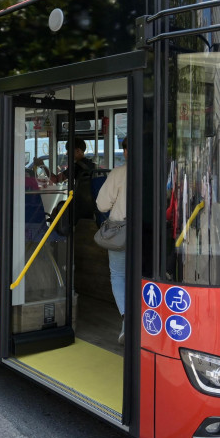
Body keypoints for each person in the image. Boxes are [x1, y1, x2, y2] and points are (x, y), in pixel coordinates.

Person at [95, 137, 128, 344]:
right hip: (150, 233)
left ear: (125, 151)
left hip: (121, 232)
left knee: (118, 275)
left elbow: (102, 205)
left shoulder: (118, 173)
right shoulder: (157, 171)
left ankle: (127, 319)